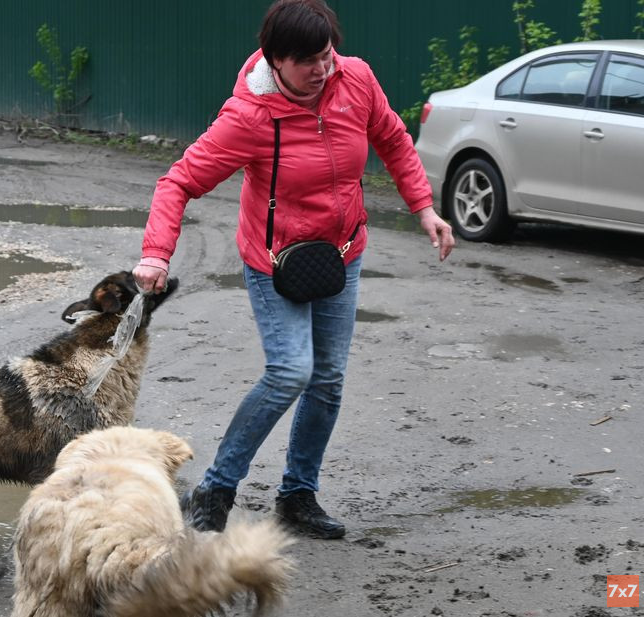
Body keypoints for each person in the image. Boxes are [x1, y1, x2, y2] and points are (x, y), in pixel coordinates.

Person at [133, 0, 454, 539]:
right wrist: (156, 254)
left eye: (327, 54)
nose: (322, 69)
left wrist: (423, 207)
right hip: (274, 262)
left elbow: (394, 139)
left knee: (327, 379)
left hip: (341, 253)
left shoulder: (357, 80)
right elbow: (178, 182)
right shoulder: (250, 117)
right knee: (290, 371)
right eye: (307, 61)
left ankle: (298, 497)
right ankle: (215, 488)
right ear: (275, 60)